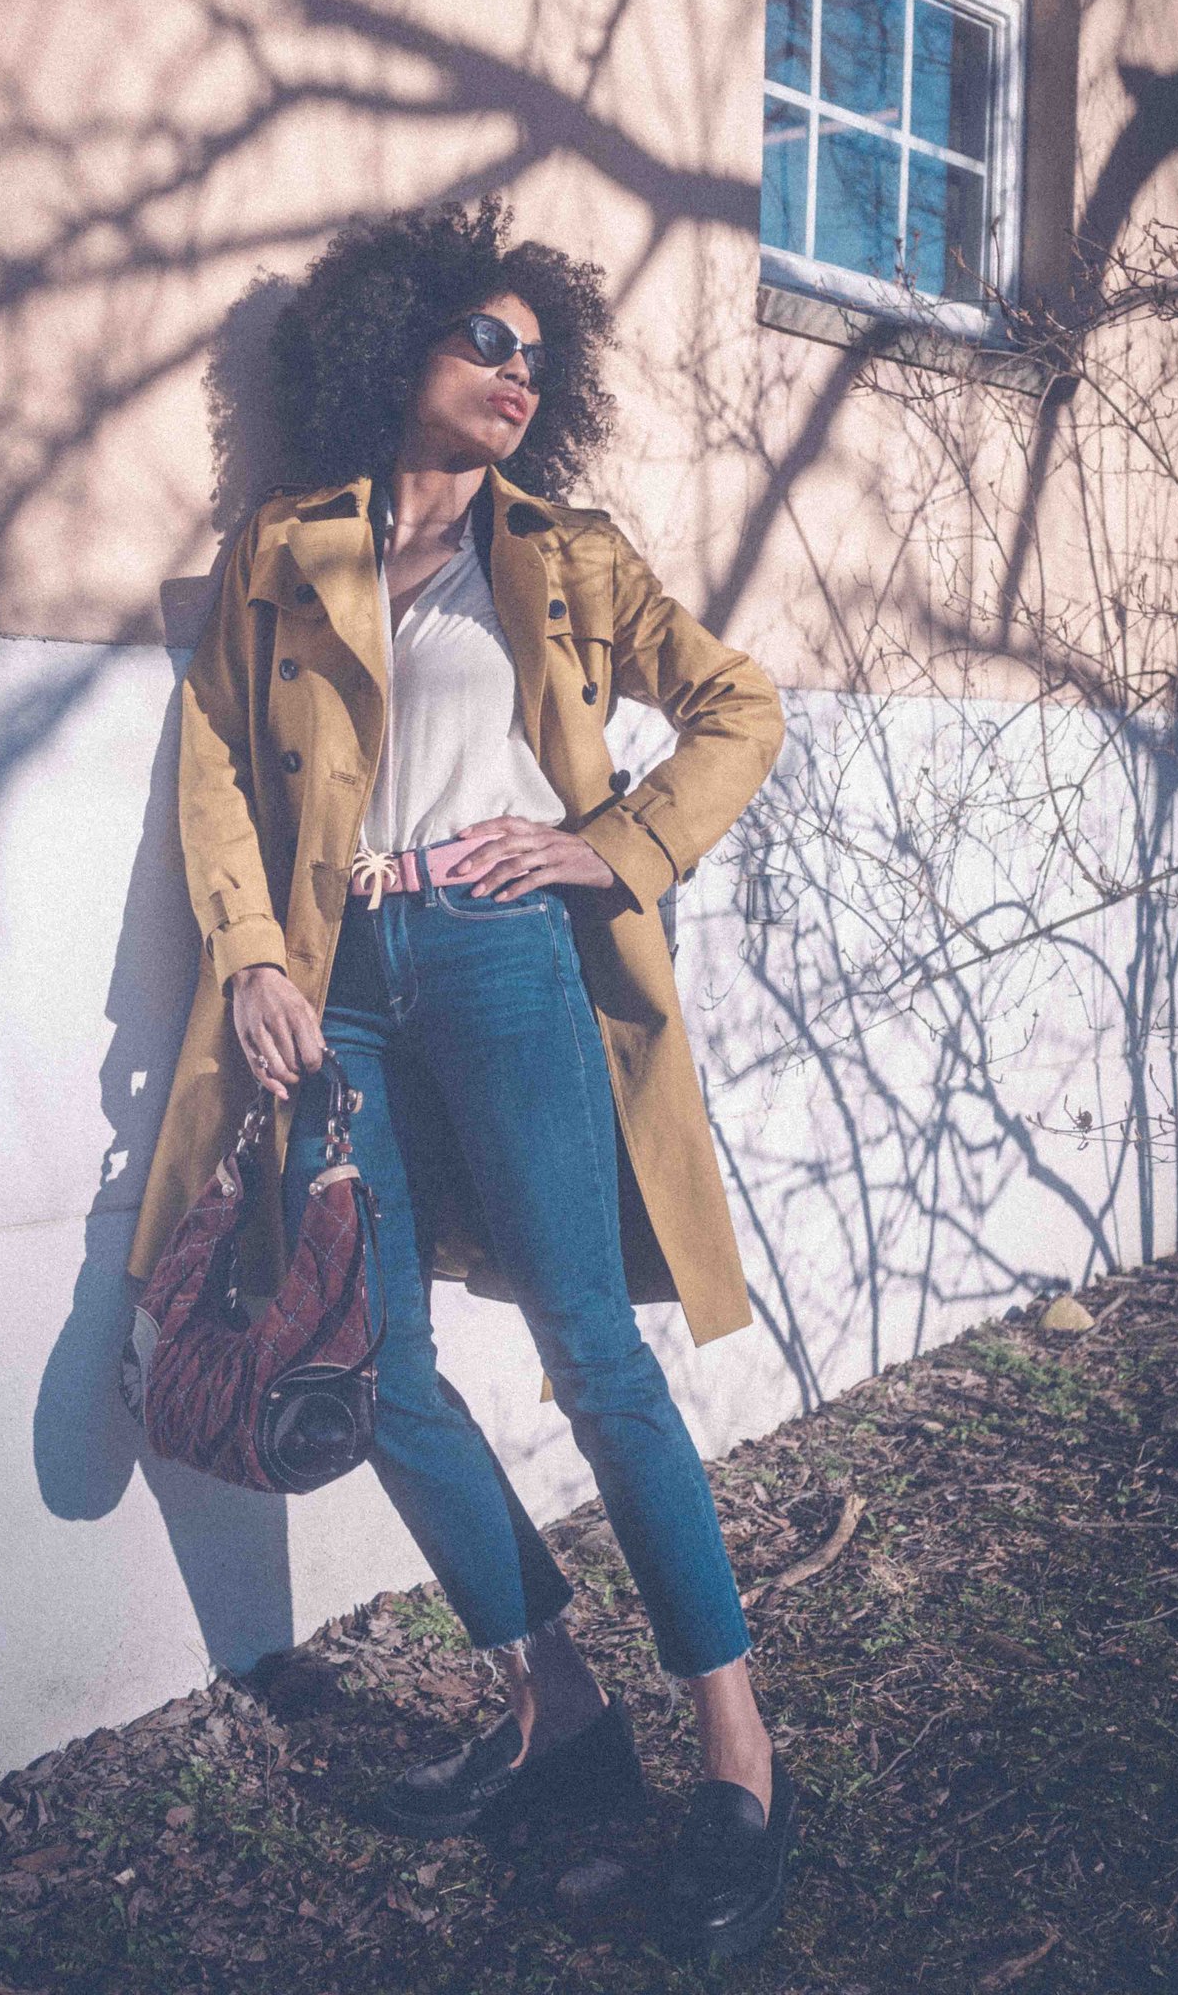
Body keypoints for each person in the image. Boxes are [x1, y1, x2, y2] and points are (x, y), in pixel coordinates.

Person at [128, 197, 797, 1959]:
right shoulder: (290, 544)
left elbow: (741, 707)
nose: (517, 371)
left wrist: (607, 848)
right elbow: (214, 754)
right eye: (484, 341)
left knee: (590, 1344)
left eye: (538, 354)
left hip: (502, 960)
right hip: (336, 977)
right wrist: (256, 950)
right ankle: (550, 1700)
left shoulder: (564, 553)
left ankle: (738, 1748)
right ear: (394, 344)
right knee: (380, 1357)